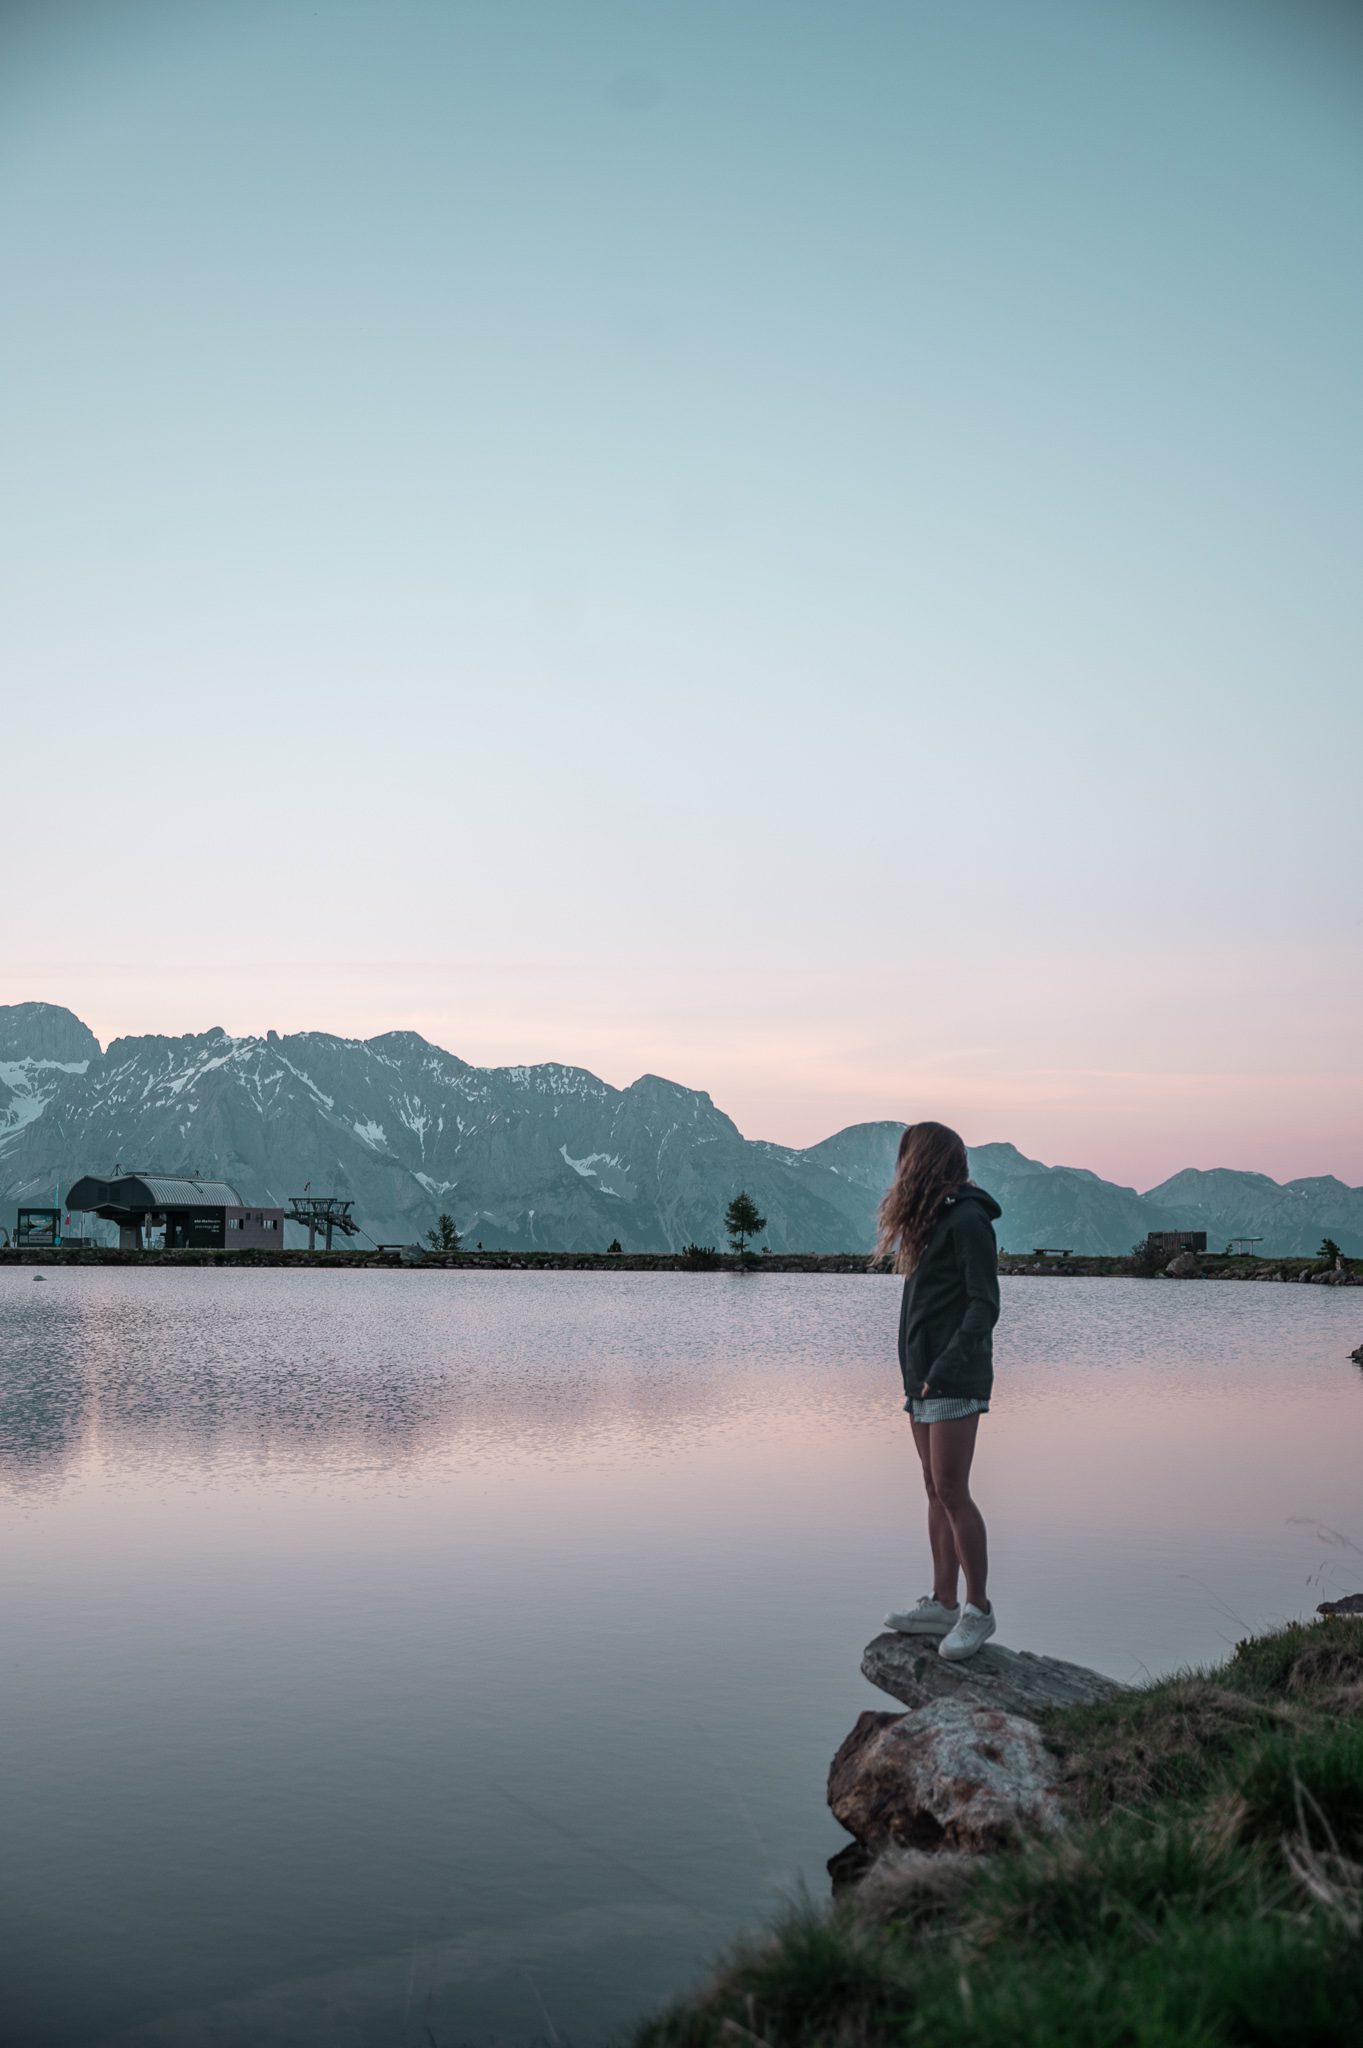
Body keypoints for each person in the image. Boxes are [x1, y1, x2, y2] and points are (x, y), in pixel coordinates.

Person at [872, 1121, 1001, 1661]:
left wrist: (947, 1365)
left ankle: (978, 1610)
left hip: (954, 1379)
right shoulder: (929, 1223)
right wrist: (913, 1372)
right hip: (923, 1381)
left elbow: (983, 1305)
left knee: (953, 1491)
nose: (899, 1169)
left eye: (906, 1157)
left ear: (925, 1161)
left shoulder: (969, 1220)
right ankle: (943, 1603)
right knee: (933, 1490)